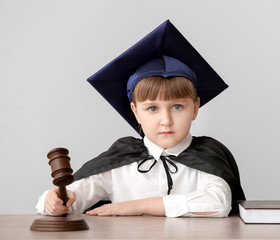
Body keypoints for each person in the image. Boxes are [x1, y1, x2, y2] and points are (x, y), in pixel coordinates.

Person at [35, 20, 245, 218]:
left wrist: (137, 206)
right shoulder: (119, 162)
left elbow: (218, 202)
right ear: (135, 111)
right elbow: (71, 199)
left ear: (195, 108)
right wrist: (52, 202)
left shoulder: (208, 155)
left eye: (177, 106)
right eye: (152, 108)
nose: (166, 120)